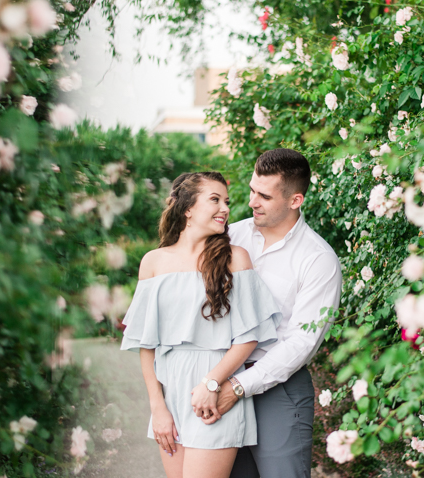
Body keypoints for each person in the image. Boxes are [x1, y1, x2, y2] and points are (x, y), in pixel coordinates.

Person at [120, 171, 282, 478]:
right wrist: (158, 407)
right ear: (187, 208)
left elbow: (249, 338)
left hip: (214, 390)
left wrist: (211, 384)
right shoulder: (153, 262)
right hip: (170, 394)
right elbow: (147, 345)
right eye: (214, 199)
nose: (225, 208)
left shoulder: (235, 258)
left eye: (226, 201)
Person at [207, 149, 343, 478]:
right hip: (219, 375)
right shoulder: (228, 237)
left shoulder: (318, 259)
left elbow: (301, 342)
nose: (253, 201)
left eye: (265, 196)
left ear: (295, 200)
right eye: (253, 190)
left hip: (278, 389)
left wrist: (239, 386)